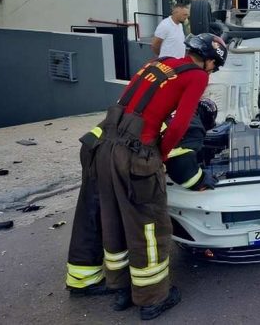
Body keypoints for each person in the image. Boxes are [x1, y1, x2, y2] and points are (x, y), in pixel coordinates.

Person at [93, 33, 226, 320]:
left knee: (114, 218)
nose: (212, 71)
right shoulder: (196, 76)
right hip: (136, 153)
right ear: (209, 60)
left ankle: (121, 290)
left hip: (105, 145)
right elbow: (179, 126)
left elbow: (129, 101)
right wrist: (161, 155)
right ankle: (153, 299)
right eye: (214, 66)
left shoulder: (158, 64)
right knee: (149, 226)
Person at [65, 99, 219, 299]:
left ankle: (81, 280)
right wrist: (202, 179)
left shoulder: (167, 102)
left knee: (92, 213)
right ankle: (150, 296)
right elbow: (183, 169)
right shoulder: (192, 119)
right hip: (124, 157)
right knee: (145, 225)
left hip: (96, 149)